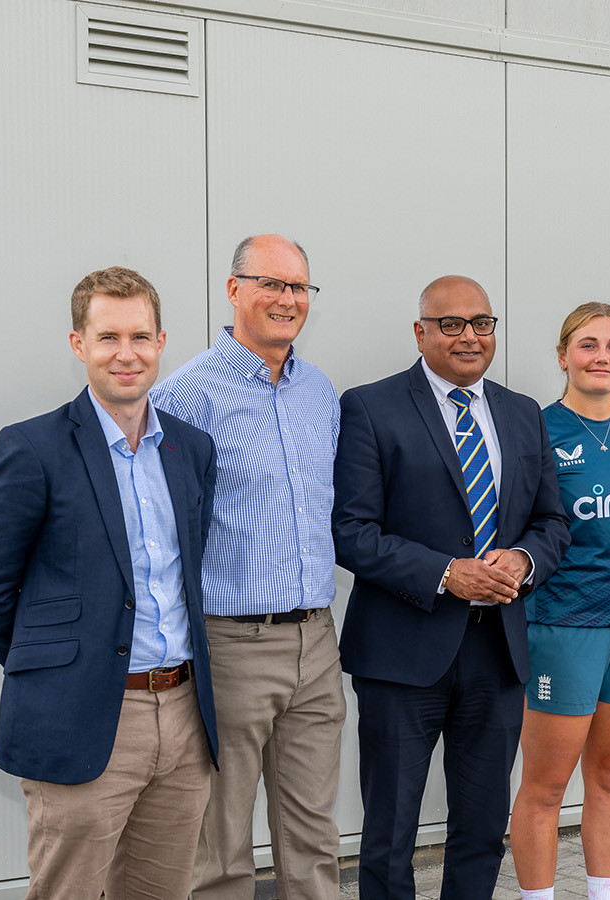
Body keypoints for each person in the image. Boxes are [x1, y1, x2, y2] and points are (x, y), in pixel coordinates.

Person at [0, 266, 218, 898]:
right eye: (107, 338)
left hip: (184, 715)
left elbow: (188, 569)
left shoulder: (192, 448)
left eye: (140, 337)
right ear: (79, 344)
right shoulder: (32, 448)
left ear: (161, 341)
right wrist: (56, 667)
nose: (125, 354)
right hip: (84, 715)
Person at [332, 274, 572, 899]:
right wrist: (447, 574)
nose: (470, 336)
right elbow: (352, 531)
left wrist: (522, 560)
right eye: (452, 325)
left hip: (498, 653)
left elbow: (552, 522)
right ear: (421, 332)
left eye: (482, 324)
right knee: (390, 829)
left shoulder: (522, 413)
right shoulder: (370, 407)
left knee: (483, 825)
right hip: (402, 653)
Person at [150, 234, 345, 900]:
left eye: (299, 288)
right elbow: (163, 533)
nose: (288, 300)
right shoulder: (183, 399)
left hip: (317, 643)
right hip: (232, 643)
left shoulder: (320, 393)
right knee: (220, 844)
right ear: (234, 290)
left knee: (315, 837)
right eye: (272, 284)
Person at [508, 302, 610, 900]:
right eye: (588, 344)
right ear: (562, 356)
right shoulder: (535, 431)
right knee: (546, 788)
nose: (602, 356)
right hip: (563, 625)